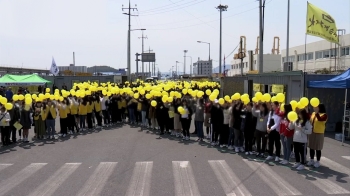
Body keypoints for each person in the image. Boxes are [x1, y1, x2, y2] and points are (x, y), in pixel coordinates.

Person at [307, 103, 327, 168]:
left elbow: (320, 119)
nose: (315, 108)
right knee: (311, 147)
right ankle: (311, 160)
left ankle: (318, 161)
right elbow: (310, 120)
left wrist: (317, 113)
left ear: (320, 108)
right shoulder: (313, 113)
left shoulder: (324, 115)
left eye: (316, 107)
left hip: (319, 133)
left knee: (318, 148)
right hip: (312, 132)